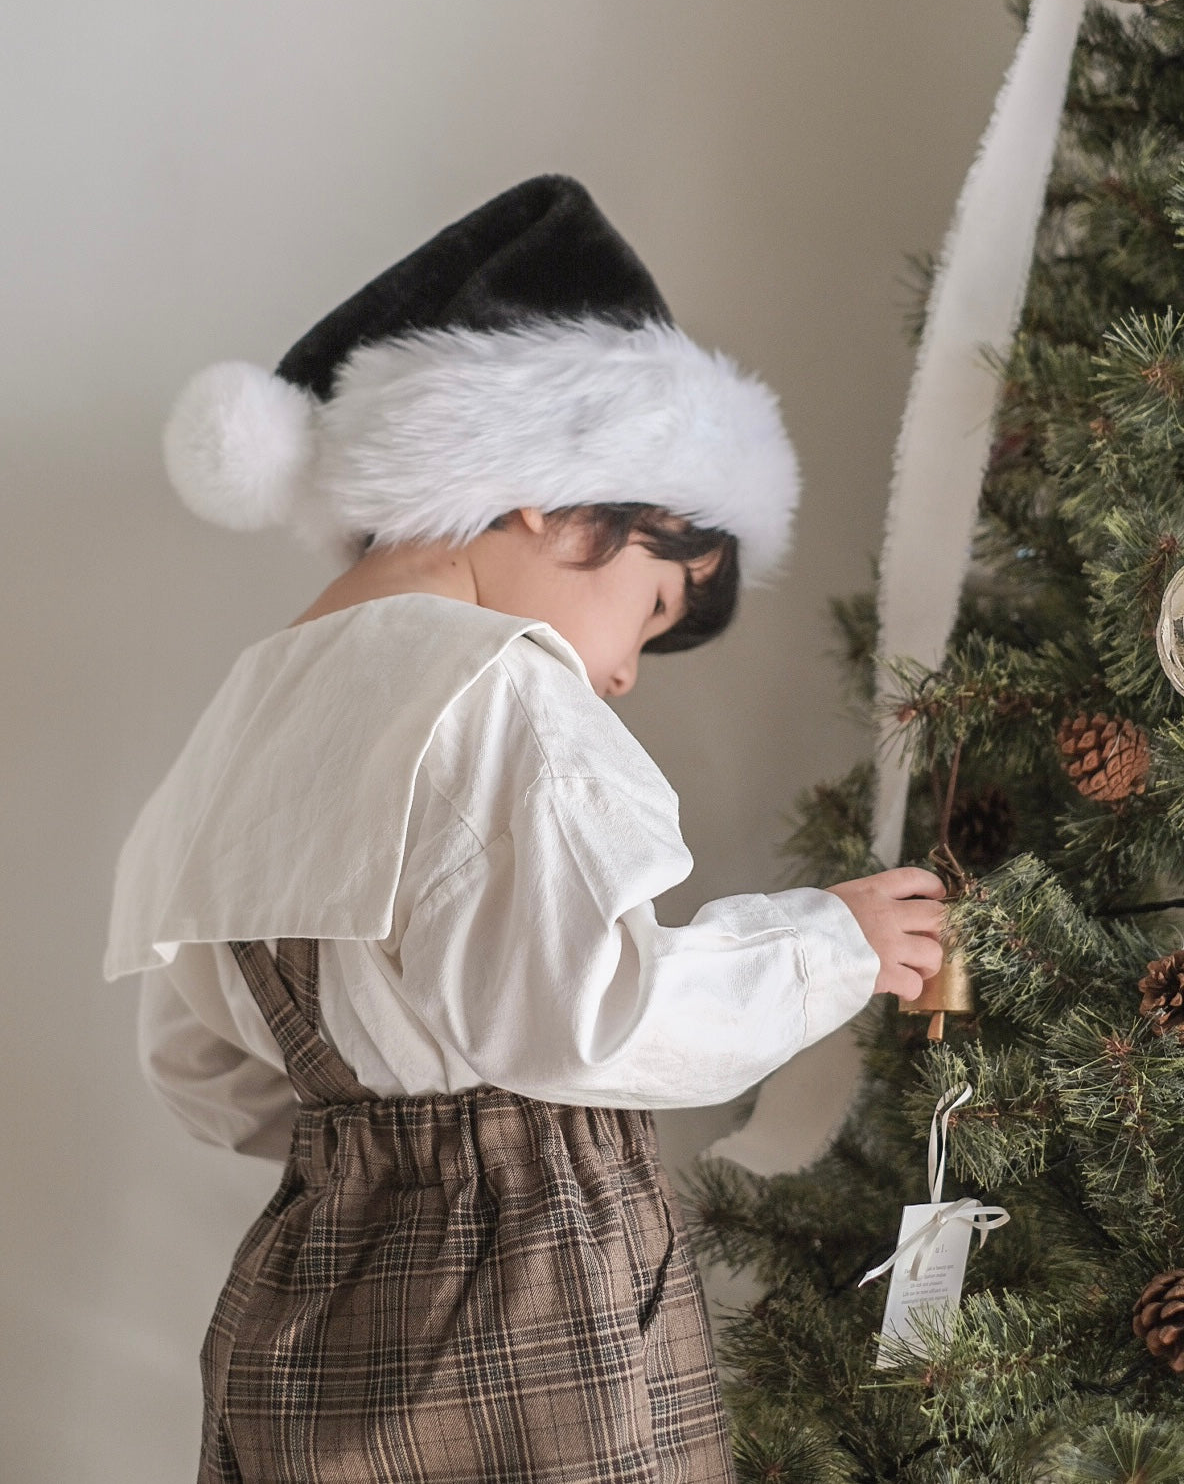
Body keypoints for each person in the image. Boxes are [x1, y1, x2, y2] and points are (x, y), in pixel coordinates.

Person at [104, 175, 945, 1484]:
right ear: (553, 495)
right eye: (653, 609)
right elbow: (592, 1013)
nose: (623, 670)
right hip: (526, 1286)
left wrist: (372, 1127)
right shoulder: (503, 689)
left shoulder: (252, 705)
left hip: (312, 1285)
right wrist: (829, 944)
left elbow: (198, 1066)